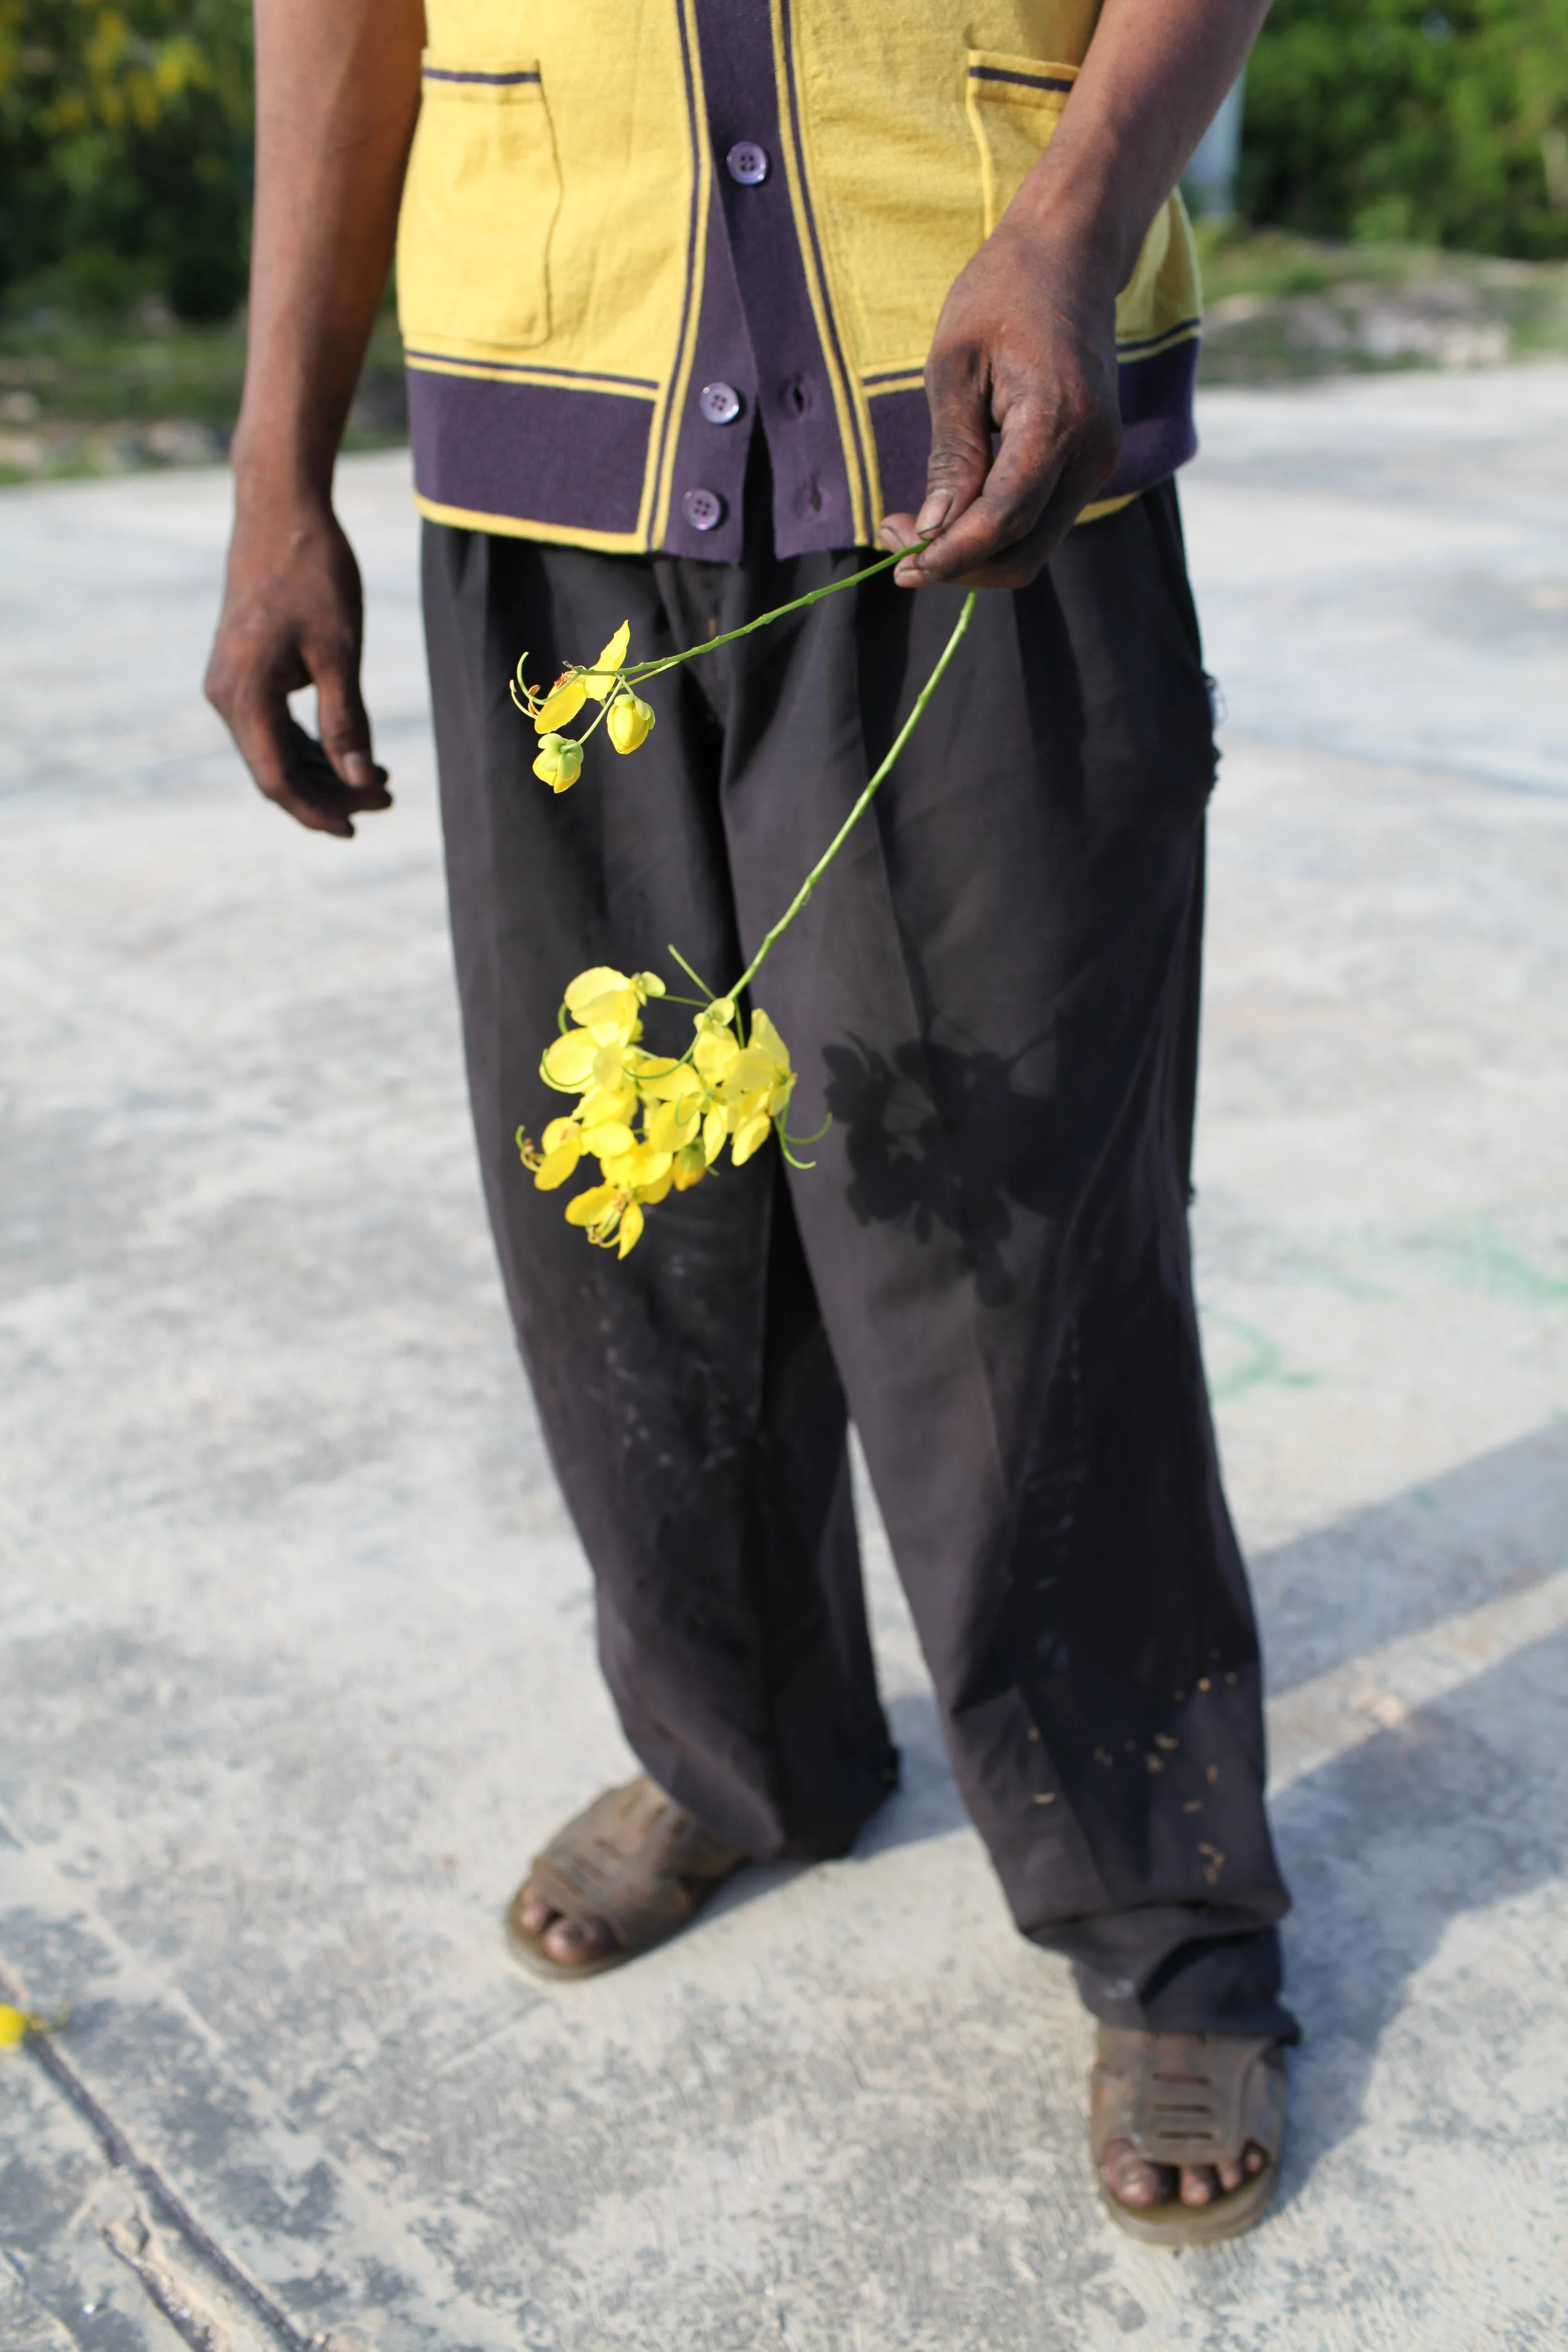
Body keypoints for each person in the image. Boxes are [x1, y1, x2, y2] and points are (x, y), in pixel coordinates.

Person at [206, 0, 1298, 2244]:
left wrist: (1075, 221)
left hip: (984, 383)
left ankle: (1154, 1894)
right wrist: (272, 466)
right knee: (633, 1218)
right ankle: (746, 1748)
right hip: (550, 415)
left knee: (1012, 1231)